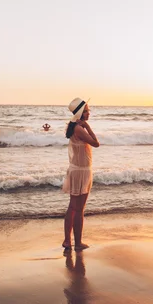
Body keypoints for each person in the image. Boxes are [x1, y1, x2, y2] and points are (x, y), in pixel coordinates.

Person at [62, 97, 99, 252]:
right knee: (79, 209)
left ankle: (67, 241)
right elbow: (96, 143)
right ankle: (77, 243)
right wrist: (88, 127)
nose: (89, 113)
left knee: (72, 207)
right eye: (87, 111)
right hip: (81, 171)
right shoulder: (79, 129)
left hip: (77, 169)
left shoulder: (73, 127)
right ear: (81, 113)